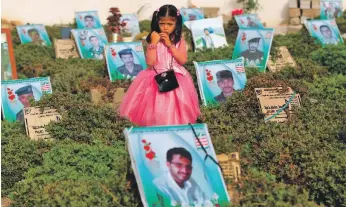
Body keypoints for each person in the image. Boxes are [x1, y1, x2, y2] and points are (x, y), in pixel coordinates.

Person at [119, 4, 200, 126]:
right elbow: (150, 63)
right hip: (155, 76)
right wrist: (153, 43)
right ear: (157, 22)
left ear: (176, 24)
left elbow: (182, 60)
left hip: (176, 77)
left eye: (170, 24)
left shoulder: (179, 40)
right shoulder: (154, 39)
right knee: (155, 106)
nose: (165, 28)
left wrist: (170, 45)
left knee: (176, 105)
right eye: (162, 24)